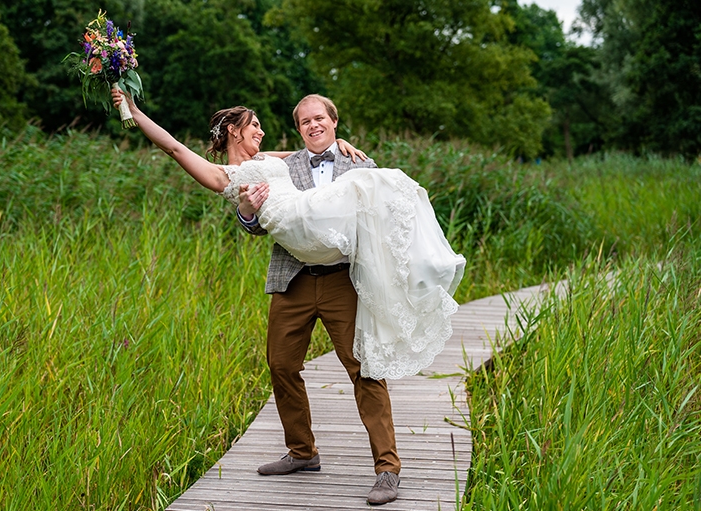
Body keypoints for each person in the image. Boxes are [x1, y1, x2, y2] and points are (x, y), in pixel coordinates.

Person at [111, 90, 466, 505]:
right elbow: (179, 151)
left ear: (333, 122)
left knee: (364, 368)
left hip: (340, 281)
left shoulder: (346, 160)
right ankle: (302, 453)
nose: (308, 127)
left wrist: (339, 148)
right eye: (302, 123)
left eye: (319, 120)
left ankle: (387, 469)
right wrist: (245, 210)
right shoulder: (259, 168)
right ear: (234, 131)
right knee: (280, 364)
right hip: (292, 279)